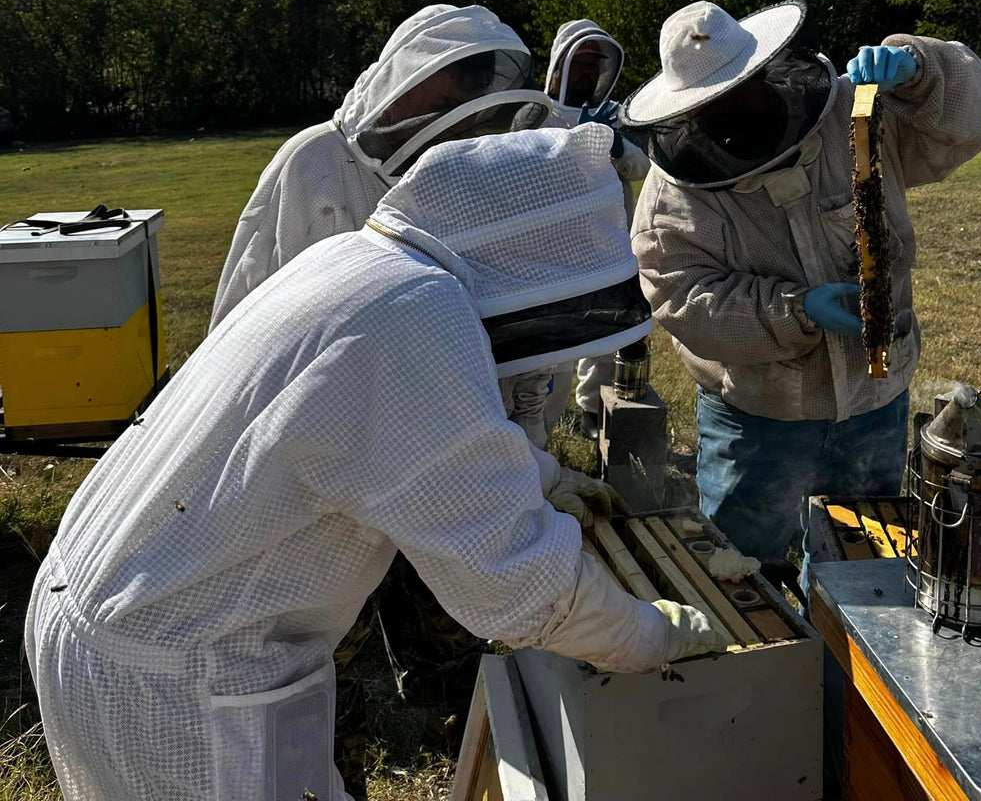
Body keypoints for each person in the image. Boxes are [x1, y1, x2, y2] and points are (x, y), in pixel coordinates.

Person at [26, 124, 724, 801]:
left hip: (98, 609)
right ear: (536, 260)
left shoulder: (359, 265)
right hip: (172, 675)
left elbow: (399, 448)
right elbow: (524, 591)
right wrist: (651, 635)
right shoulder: (415, 318)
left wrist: (548, 479)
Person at [623, 0, 981, 572]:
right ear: (686, 113)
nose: (730, 110)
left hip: (876, 399)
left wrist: (919, 72)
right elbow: (682, 298)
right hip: (757, 416)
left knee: (869, 566)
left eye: (740, 91)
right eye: (711, 106)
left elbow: (960, 128)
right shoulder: (675, 194)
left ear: (767, 71)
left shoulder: (851, 113)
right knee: (746, 571)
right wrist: (797, 311)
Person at [209, 3, 552, 331]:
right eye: (445, 105)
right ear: (401, 81)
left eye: (470, 108)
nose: (457, 123)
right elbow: (245, 298)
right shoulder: (313, 160)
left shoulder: (457, 174)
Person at [534, 20, 652, 441]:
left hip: (603, 243)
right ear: (560, 65)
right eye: (581, 63)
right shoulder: (533, 113)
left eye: (595, 65)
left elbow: (641, 168)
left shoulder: (612, 114)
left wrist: (614, 141)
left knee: (603, 334)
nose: (588, 73)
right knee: (553, 353)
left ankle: (591, 414)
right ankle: (541, 434)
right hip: (550, 250)